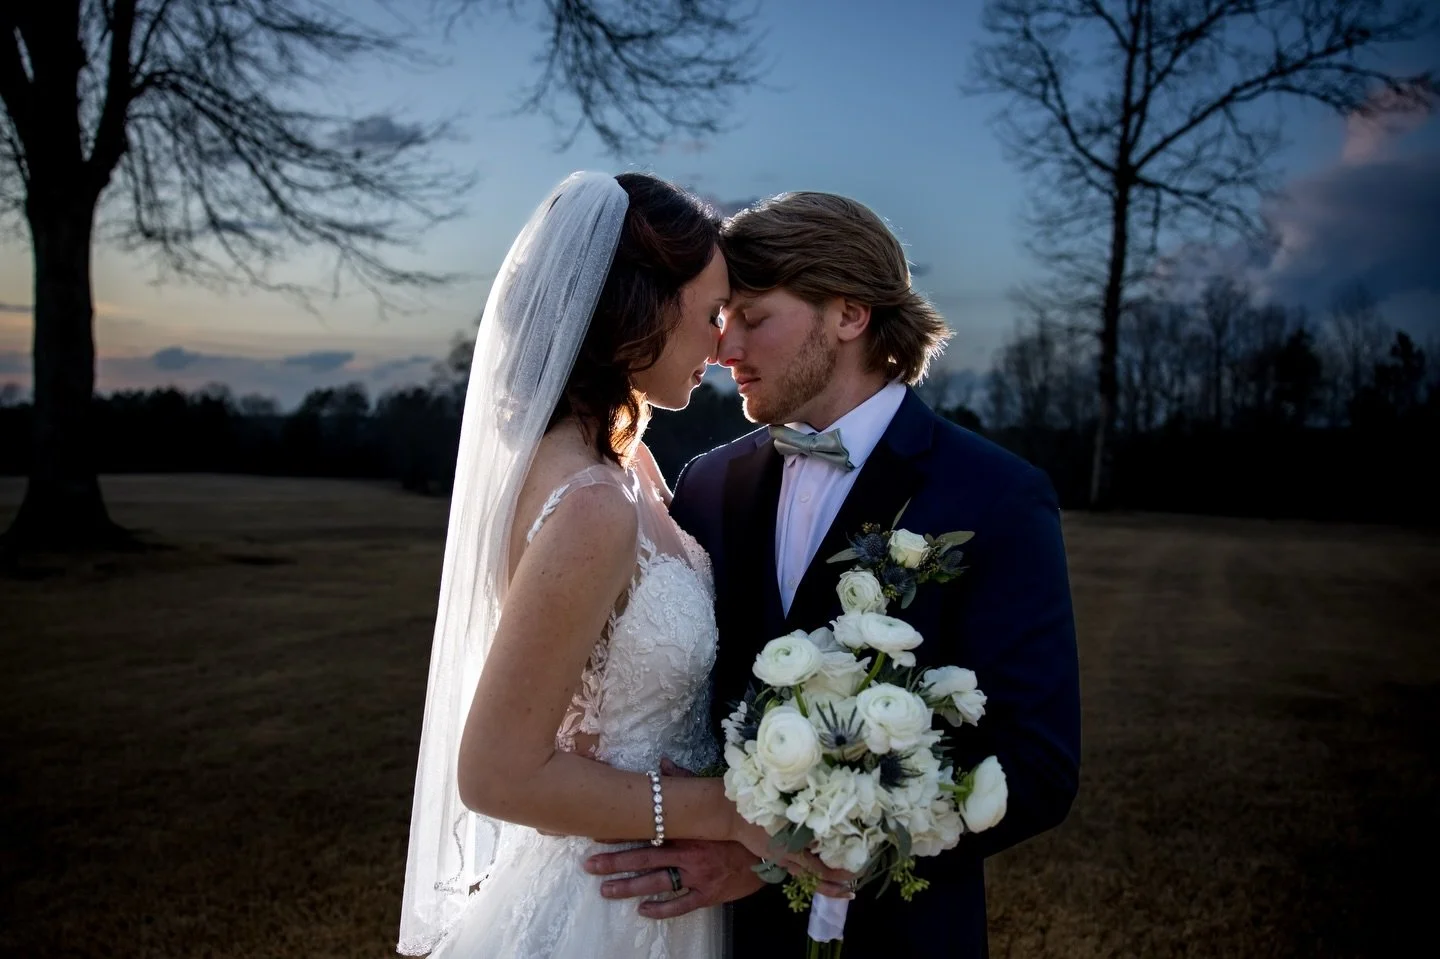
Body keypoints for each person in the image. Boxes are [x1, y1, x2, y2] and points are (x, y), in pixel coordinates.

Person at [585, 192, 1082, 957]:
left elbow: (1039, 767)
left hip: (901, 936)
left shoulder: (997, 496)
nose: (724, 350)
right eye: (723, 319)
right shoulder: (707, 484)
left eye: (754, 318)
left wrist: (777, 851)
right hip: (713, 935)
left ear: (849, 315)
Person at [396, 172, 846, 959]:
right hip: (605, 907)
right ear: (637, 309)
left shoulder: (625, 463)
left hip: (656, 891)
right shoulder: (593, 501)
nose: (720, 343)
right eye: (709, 313)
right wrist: (727, 814)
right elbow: (497, 775)